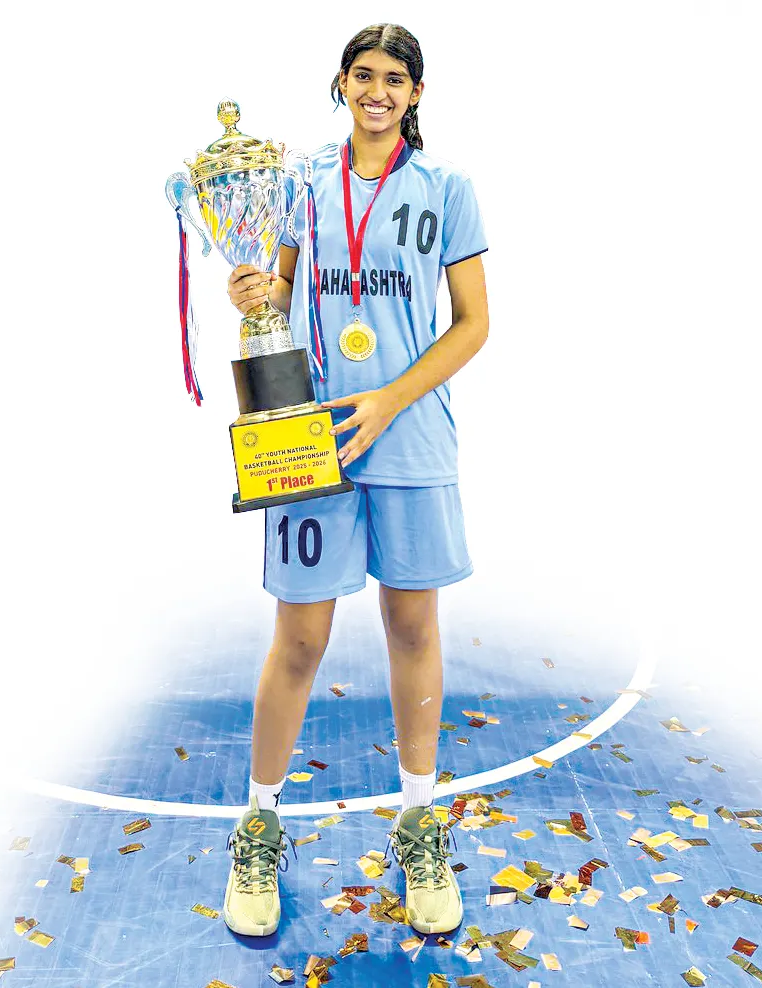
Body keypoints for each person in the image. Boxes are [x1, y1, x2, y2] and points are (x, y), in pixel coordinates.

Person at [220, 23, 490, 939]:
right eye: (364, 75)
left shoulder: (448, 189)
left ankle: (419, 823)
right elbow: (282, 294)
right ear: (341, 83)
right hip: (312, 440)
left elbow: (473, 323)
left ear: (416, 94)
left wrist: (389, 399)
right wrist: (253, 293)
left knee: (412, 627)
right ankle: (258, 826)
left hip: (410, 436)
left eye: (395, 79)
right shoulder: (299, 183)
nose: (379, 91)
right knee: (299, 638)